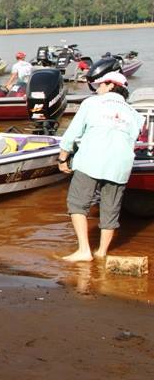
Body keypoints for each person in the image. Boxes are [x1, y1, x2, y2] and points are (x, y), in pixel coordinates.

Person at [58, 72, 144, 262]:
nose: (98, 90)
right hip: (120, 165)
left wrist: (63, 158)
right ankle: (102, 253)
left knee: (77, 203)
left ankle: (84, 251)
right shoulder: (135, 115)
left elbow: (73, 132)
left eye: (100, 86)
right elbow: (132, 141)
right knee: (111, 209)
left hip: (92, 158)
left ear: (110, 85)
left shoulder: (91, 103)